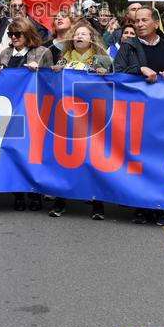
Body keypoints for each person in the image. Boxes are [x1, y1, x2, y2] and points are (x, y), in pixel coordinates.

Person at [115, 7, 164, 226]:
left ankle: (159, 206)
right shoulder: (128, 46)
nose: (139, 24)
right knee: (139, 161)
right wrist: (139, 69)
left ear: (156, 23)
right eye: (136, 21)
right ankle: (140, 206)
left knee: (161, 161)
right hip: (136, 112)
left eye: (144, 20)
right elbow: (117, 72)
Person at [49, 20, 112, 219]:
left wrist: (105, 74)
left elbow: (114, 83)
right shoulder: (63, 59)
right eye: (77, 34)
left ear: (91, 39)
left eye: (84, 34)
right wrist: (54, 73)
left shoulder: (103, 59)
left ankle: (97, 205)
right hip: (67, 117)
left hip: (93, 118)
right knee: (65, 160)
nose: (80, 36)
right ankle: (61, 201)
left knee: (93, 160)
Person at [0, 18, 53, 211]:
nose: (13, 38)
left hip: (33, 109)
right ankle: (18, 195)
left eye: (17, 34)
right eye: (10, 35)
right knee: (14, 152)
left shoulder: (42, 53)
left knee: (33, 153)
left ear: (27, 34)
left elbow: (50, 82)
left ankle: (35, 194)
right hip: (11, 111)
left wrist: (38, 71)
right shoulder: (4, 53)